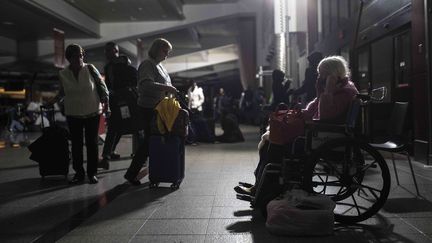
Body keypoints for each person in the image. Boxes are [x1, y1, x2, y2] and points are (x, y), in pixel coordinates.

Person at [235, 55, 359, 195]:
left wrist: (326, 91)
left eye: (322, 74)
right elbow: (313, 111)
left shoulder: (344, 92)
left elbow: (324, 116)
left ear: (332, 73)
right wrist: (303, 109)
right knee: (270, 142)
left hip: (321, 136)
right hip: (317, 132)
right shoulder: (339, 88)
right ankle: (261, 183)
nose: (320, 78)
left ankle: (263, 187)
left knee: (273, 145)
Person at [124, 38, 178, 185]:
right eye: (165, 51)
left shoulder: (159, 66)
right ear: (156, 49)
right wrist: (167, 88)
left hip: (158, 108)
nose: (167, 54)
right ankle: (132, 173)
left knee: (152, 140)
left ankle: (152, 170)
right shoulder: (148, 64)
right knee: (150, 140)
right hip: (149, 108)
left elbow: (166, 84)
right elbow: (145, 85)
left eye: (168, 52)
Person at [54, 44, 109, 184]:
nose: (79, 58)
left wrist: (106, 104)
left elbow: (102, 87)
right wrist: (52, 102)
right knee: (76, 145)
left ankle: (92, 173)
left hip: (92, 111)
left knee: (92, 143)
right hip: (73, 113)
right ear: (69, 58)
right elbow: (62, 92)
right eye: (76, 56)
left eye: (81, 55)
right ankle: (79, 173)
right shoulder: (63, 74)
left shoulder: (90, 68)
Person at [99, 42, 138, 170]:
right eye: (106, 51)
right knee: (123, 128)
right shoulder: (112, 66)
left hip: (121, 101)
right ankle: (108, 154)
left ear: (116, 51)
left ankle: (107, 156)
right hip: (125, 102)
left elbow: (112, 86)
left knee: (115, 128)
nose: (108, 53)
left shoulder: (116, 66)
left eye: (110, 51)